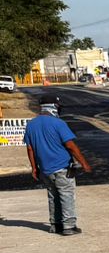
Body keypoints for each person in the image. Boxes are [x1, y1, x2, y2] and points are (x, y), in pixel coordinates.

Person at [23, 96, 92, 235]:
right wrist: (84, 163)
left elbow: (30, 149)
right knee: (66, 195)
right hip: (62, 167)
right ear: (53, 106)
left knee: (52, 196)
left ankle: (55, 225)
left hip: (45, 169)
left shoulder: (31, 124)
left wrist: (34, 168)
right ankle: (69, 226)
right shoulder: (58, 123)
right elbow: (70, 145)